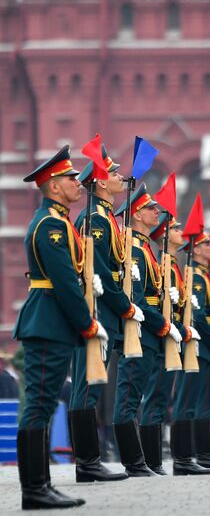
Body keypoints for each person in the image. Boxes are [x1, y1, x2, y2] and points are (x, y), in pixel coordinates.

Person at [13, 146, 108, 510]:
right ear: (53, 186)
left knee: (43, 403)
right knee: (37, 405)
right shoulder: (51, 225)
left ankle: (42, 485)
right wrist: (87, 324)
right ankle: (34, 488)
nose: (77, 184)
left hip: (53, 321)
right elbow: (65, 281)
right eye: (71, 179)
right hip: (48, 320)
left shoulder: (58, 221)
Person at [69, 145, 142, 482]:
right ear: (99, 183)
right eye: (113, 173)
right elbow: (98, 272)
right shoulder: (95, 219)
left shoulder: (106, 217)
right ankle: (87, 463)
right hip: (97, 310)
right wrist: (124, 305)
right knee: (87, 387)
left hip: (105, 313)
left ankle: (89, 462)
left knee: (93, 386)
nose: (119, 177)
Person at [113, 183, 182, 477]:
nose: (157, 212)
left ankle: (145, 461)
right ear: (137, 215)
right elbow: (138, 300)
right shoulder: (136, 252)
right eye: (151, 208)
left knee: (139, 397)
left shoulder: (146, 251)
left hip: (149, 333)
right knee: (128, 398)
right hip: (139, 332)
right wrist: (165, 325)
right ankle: (133, 462)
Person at [140, 213, 200, 475]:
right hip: (162, 336)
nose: (181, 232)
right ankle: (152, 461)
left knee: (163, 398)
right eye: (175, 228)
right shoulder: (162, 264)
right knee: (155, 399)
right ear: (164, 235)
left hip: (173, 336)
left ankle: (174, 460)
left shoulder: (172, 265)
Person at [170, 232, 210, 474]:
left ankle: (196, 455)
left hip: (204, 348)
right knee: (186, 403)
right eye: (207, 244)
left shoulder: (204, 277)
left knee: (197, 404)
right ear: (194, 250)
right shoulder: (195, 277)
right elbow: (199, 317)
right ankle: (182, 459)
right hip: (197, 346)